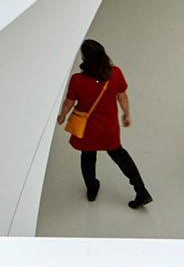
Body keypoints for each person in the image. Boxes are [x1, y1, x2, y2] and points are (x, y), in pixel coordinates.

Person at [57, 39, 152, 209]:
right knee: (120, 156)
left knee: (87, 156)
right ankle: (141, 190)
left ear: (85, 58)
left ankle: (92, 189)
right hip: (108, 127)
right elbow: (122, 96)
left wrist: (62, 116)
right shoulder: (115, 74)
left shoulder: (77, 80)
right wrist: (126, 114)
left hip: (87, 128)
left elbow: (69, 101)